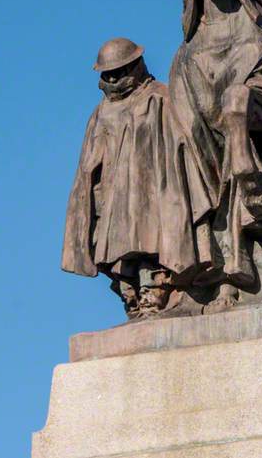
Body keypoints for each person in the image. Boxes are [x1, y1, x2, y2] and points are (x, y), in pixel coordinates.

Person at [61, 38, 196, 318]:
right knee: (117, 251)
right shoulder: (100, 113)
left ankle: (154, 291)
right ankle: (131, 296)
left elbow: (183, 145)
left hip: (152, 193)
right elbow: (89, 164)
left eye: (118, 71)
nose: (113, 79)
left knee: (150, 243)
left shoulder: (160, 96)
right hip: (113, 197)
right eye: (107, 74)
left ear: (135, 66)